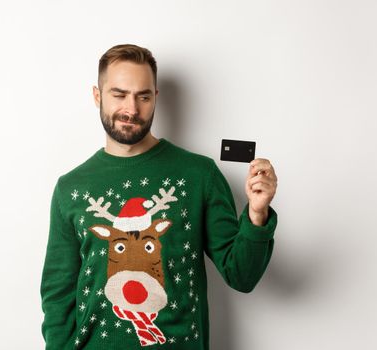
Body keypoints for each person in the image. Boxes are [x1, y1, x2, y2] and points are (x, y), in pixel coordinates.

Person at [40, 44, 278, 350]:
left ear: (156, 98)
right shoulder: (70, 188)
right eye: (119, 94)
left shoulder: (200, 175)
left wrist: (257, 215)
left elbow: (241, 275)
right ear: (97, 96)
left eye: (143, 96)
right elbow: (58, 296)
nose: (131, 109)